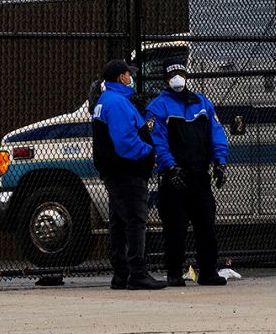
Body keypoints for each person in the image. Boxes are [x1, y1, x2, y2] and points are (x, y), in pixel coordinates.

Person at [145, 61, 230, 286]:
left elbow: (216, 132)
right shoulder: (158, 106)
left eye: (180, 73)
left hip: (200, 174)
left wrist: (220, 162)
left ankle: (209, 270)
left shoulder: (201, 103)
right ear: (166, 79)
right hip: (175, 176)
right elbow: (157, 141)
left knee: (206, 224)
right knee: (175, 227)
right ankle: (174, 272)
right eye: (173, 74)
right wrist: (170, 167)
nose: (177, 78)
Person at [91, 59, 165, 290]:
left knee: (119, 221)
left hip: (115, 171)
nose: (130, 77)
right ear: (121, 77)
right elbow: (125, 141)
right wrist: (147, 152)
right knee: (135, 220)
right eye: (127, 74)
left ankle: (121, 273)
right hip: (127, 171)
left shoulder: (107, 101)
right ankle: (138, 273)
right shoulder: (117, 103)